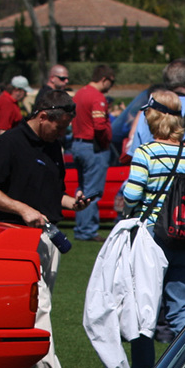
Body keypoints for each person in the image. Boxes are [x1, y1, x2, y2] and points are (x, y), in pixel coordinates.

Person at [0, 87, 82, 368]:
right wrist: (21, 208)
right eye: (61, 125)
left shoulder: (55, 146)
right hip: (15, 236)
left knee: (28, 315)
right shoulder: (9, 143)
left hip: (48, 237)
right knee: (40, 308)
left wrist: (72, 202)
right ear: (42, 116)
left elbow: (54, 195)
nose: (63, 132)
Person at [120, 89, 185, 368]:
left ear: (152, 117)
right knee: (182, 310)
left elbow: (131, 197)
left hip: (153, 239)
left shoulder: (146, 154)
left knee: (145, 310)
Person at [71, 64, 116, 242]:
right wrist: (106, 142)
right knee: (92, 191)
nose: (110, 87)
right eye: (111, 82)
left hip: (77, 144)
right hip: (93, 147)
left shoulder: (79, 93)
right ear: (104, 79)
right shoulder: (97, 97)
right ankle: (87, 230)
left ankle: (82, 226)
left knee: (82, 188)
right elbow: (99, 126)